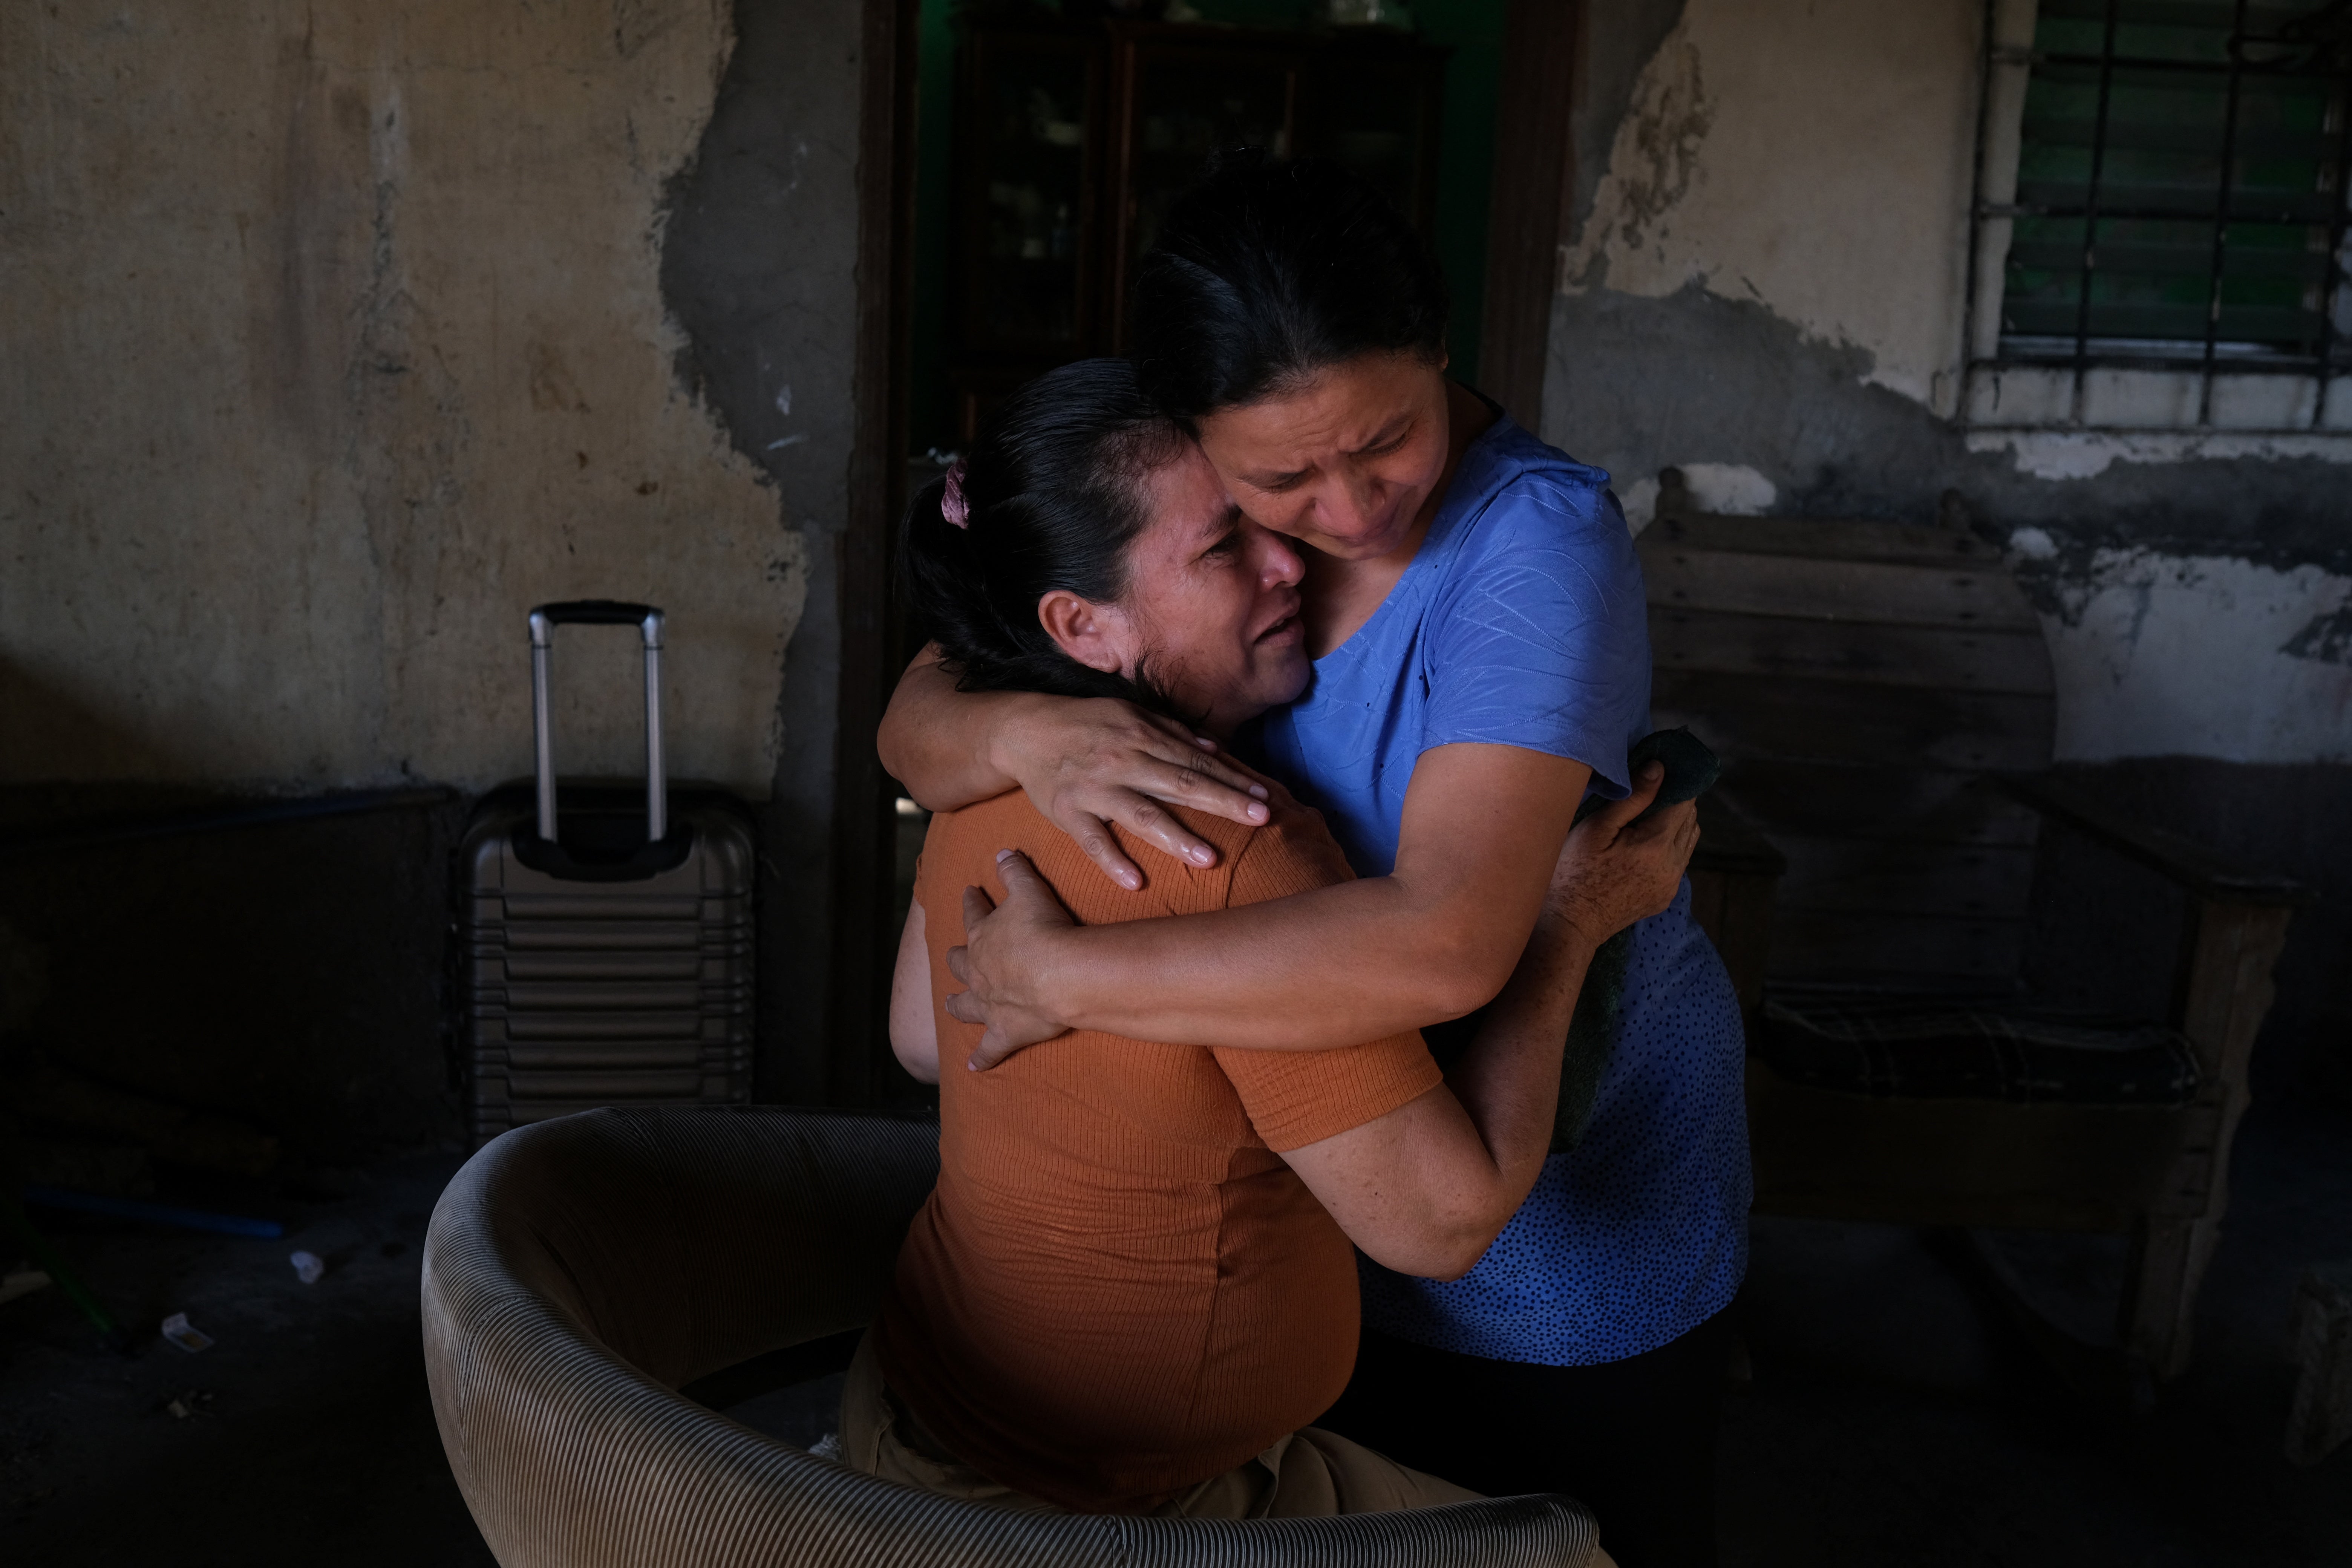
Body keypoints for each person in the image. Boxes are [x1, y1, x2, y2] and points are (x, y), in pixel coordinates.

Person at [877, 155, 1749, 1568]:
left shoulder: (1531, 551)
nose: (1344, 517)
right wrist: (1013, 727)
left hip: (1538, 1172)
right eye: (1276, 486)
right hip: (1313, 1192)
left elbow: (1455, 943)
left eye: (1390, 441)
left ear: (1443, 356)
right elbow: (948, 679)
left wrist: (1067, 975)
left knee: (1573, 1519)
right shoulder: (1141, 556)